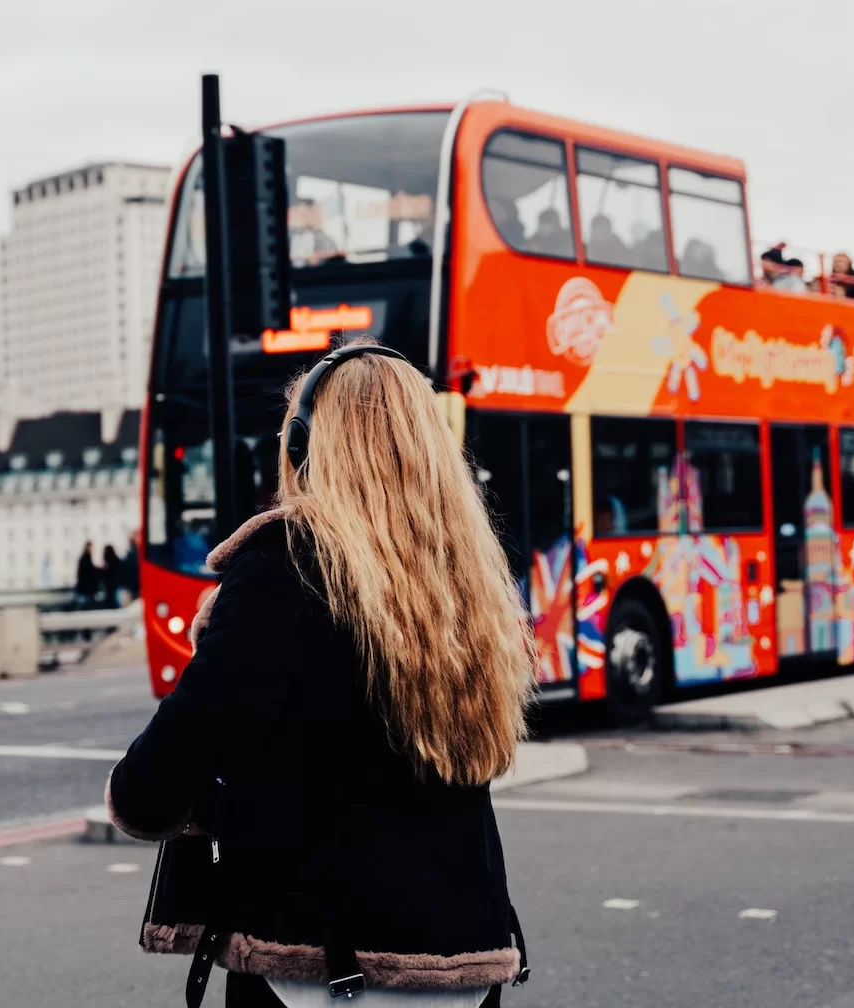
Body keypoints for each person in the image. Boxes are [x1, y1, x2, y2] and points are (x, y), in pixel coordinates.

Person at [105, 342, 533, 1008]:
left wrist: (142, 796)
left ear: (304, 448)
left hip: (320, 970)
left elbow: (178, 753)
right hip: (463, 969)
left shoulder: (290, 565)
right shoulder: (470, 578)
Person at [74, 540, 101, 608]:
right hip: (86, 587)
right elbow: (88, 571)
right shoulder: (85, 558)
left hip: (85, 587)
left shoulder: (85, 557)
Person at [100, 543, 125, 608]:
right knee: (114, 599)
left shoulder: (107, 561)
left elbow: (105, 573)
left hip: (110, 584)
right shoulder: (116, 559)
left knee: (110, 598)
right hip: (115, 583)